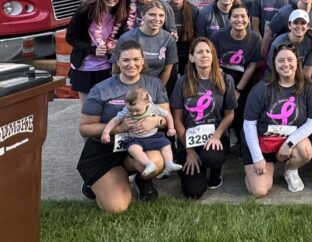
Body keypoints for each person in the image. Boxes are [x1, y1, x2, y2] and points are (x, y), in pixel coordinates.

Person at [77, 40, 169, 211]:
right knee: (116, 207)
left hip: (140, 146)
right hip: (106, 150)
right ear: (117, 61)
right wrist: (119, 128)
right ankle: (96, 181)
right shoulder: (101, 89)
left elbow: (165, 118)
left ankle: (143, 180)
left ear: (143, 60)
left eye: (136, 59)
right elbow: (85, 128)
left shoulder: (155, 84)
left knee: (155, 163)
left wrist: (156, 121)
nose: (131, 64)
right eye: (126, 60)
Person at [242, 44, 312, 195]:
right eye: (281, 60)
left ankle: (290, 170)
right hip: (261, 142)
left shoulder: (310, 87)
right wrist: (257, 157)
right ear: (274, 64)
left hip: (289, 141)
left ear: (297, 62)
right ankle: (257, 171)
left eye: (290, 59)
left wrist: (289, 143)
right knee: (259, 191)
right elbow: (249, 124)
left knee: (305, 150)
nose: (286, 64)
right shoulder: (261, 88)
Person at [170, 38, 237, 198]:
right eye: (199, 52)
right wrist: (190, 151)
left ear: (213, 56)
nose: (204, 55)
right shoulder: (182, 82)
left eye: (208, 51)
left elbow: (229, 115)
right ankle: (196, 166)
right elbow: (177, 119)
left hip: (215, 137)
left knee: (211, 157)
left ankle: (215, 173)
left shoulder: (226, 80)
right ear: (192, 58)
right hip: (188, 140)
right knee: (193, 192)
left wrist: (216, 136)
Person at [67, 0, 128, 103]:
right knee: (87, 109)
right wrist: (92, 50)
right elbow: (71, 37)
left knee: (106, 107)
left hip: (107, 68)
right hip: (85, 68)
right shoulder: (86, 10)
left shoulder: (120, 14)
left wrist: (114, 45)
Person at [211, 1, 263, 145]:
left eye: (243, 16)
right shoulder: (217, 36)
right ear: (229, 19)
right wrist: (225, 86)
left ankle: (242, 141)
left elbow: (252, 66)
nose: (239, 20)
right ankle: (222, 138)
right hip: (221, 78)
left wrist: (238, 89)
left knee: (241, 110)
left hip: (243, 80)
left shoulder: (255, 38)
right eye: (235, 16)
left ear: (248, 19)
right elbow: (213, 63)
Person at [100, 88, 182, 177]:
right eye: (131, 110)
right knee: (133, 149)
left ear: (147, 103)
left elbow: (167, 115)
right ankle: (149, 164)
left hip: (153, 136)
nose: (134, 113)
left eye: (137, 111)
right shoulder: (126, 111)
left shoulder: (153, 108)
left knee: (166, 145)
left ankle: (169, 163)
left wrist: (171, 128)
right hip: (135, 139)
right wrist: (105, 133)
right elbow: (114, 120)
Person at [113, 0, 178, 86]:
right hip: (128, 87)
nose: (157, 19)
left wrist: (159, 91)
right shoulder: (127, 38)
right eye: (152, 15)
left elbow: (167, 70)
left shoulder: (169, 39)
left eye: (161, 15)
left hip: (154, 87)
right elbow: (115, 69)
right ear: (143, 15)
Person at [267, 9, 312, 79]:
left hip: (299, 79)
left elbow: (307, 73)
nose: (299, 26)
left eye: (303, 23)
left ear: (308, 26)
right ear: (289, 25)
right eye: (295, 22)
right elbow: (272, 71)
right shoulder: (277, 44)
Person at [167, 0, 203, 76]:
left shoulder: (193, 10)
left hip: (187, 55)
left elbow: (198, 36)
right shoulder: (162, 9)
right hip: (167, 55)